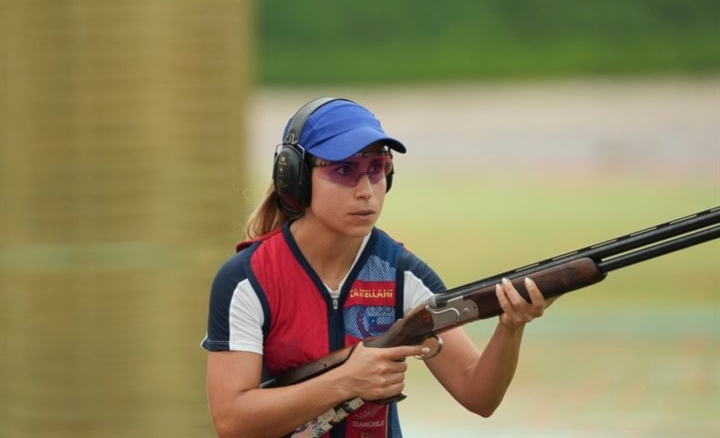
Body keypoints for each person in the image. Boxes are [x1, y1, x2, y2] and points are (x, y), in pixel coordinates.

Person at [201, 98, 555, 438]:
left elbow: (478, 395)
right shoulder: (248, 279)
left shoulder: (401, 273)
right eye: (344, 170)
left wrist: (510, 327)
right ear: (297, 178)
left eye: (377, 169)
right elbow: (233, 422)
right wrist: (345, 381)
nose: (367, 191)